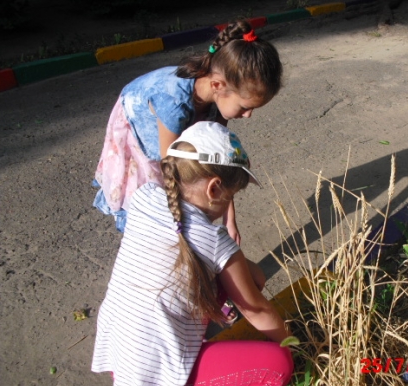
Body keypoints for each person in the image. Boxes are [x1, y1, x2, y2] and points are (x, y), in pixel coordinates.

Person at [91, 122, 294, 386]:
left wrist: (233, 264)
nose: (228, 204)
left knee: (237, 279)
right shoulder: (213, 239)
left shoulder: (144, 197)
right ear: (214, 188)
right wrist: (291, 345)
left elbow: (250, 275)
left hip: (119, 358)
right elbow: (257, 310)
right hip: (157, 381)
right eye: (230, 197)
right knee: (278, 368)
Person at [92, 20, 282, 241]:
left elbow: (222, 162)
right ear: (218, 86)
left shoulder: (218, 100)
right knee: (154, 198)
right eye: (245, 107)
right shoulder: (174, 104)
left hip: (173, 128)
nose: (248, 115)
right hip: (140, 129)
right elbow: (172, 171)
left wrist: (229, 220)